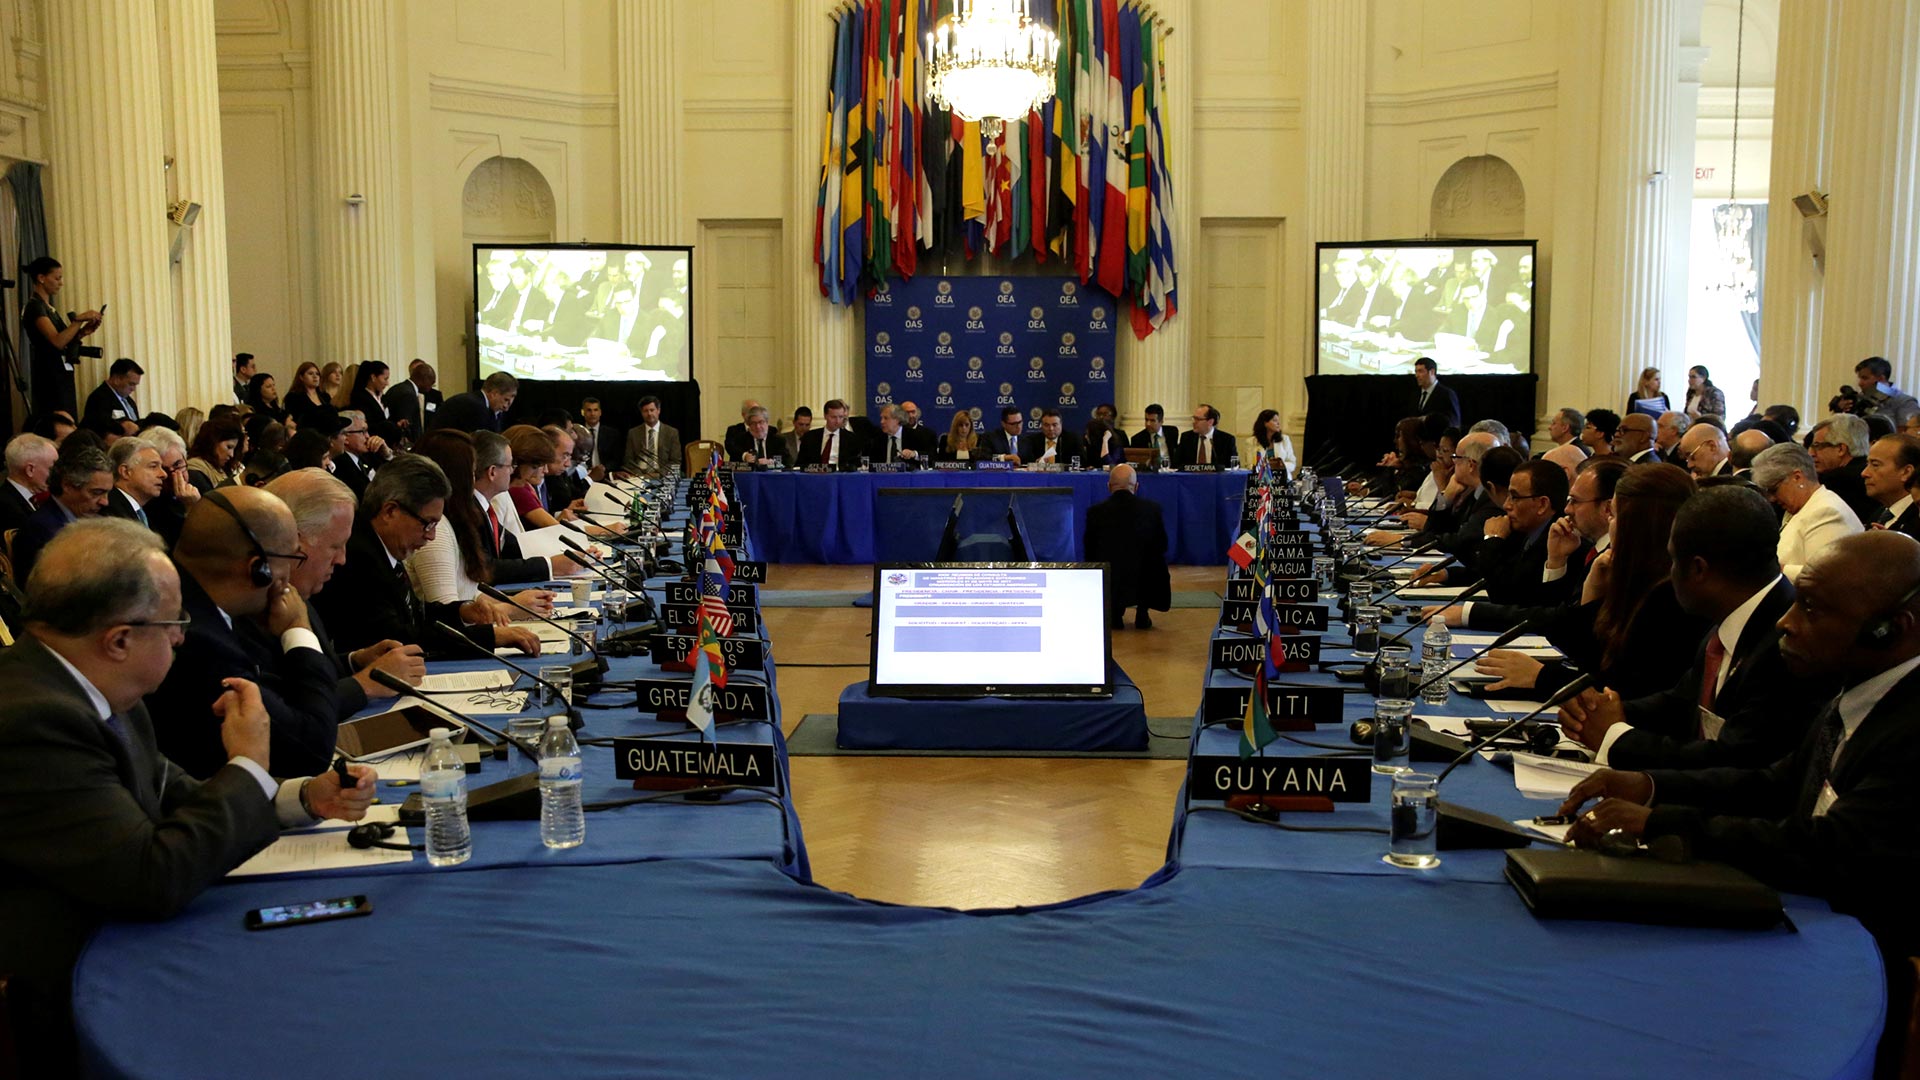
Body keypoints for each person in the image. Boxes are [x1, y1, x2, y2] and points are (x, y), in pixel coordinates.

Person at [0, 519, 376, 1075]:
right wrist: (249, 761)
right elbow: (152, 877)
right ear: (119, 640)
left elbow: (175, 793)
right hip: (68, 990)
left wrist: (302, 798)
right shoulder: (35, 719)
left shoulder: (89, 685)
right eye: (174, 623)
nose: (182, 637)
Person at [1559, 530, 1920, 1066]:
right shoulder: (1862, 689)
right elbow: (1775, 784)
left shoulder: (1911, 728)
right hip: (1807, 918)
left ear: (1893, 628)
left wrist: (1662, 823)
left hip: (1862, 970)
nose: (1786, 622)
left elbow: (1831, 847)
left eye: (1812, 609)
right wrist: (1649, 785)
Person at [1558, 485, 1835, 771]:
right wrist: (1604, 711)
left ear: (1698, 569)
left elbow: (1732, 760)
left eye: (1673, 560)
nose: (1670, 574)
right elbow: (1681, 703)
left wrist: (1615, 738)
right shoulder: (1735, 616)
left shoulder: (1788, 645)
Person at [143, 487, 344, 780]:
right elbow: (310, 749)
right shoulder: (201, 643)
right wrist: (297, 629)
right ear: (258, 569)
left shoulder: (200, 606)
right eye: (290, 558)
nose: (290, 574)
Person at [1473, 464, 1709, 701]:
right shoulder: (1624, 573)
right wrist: (1591, 591)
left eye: (1614, 515)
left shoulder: (1667, 597)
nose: (1610, 523)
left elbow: (1622, 690)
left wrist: (1541, 676)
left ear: (1638, 526)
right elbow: (1584, 656)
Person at [309, 453, 539, 659]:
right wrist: (490, 637)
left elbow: (414, 612)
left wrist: (461, 611)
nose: (431, 536)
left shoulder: (381, 545)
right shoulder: (359, 558)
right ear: (390, 511)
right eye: (427, 524)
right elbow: (398, 638)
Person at [265, 468, 427, 716]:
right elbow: (289, 708)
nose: (342, 559)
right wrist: (365, 683)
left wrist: (355, 661)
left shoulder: (296, 595)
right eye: (335, 546)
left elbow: (306, 671)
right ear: (293, 542)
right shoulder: (252, 608)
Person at [407, 430, 565, 616]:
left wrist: (513, 602)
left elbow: (470, 591)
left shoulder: (454, 518)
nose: (475, 478)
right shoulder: (438, 530)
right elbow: (448, 612)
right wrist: (512, 608)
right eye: (472, 471)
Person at [1751, 442, 1862, 579]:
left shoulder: (1826, 513)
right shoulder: (1803, 508)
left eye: (1774, 489)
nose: (1772, 498)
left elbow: (1826, 575)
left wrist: (1776, 570)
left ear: (1797, 477)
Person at [1084, 464, 1169, 630]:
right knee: (1153, 560)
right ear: (1136, 487)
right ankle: (1143, 611)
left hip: (1112, 575)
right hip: (1144, 576)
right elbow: (1162, 545)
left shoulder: (1095, 512)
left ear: (1109, 486)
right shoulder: (1152, 510)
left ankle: (1115, 614)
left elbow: (1090, 550)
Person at [11, 445, 113, 581]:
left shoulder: (98, 522)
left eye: (107, 493)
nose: (105, 502)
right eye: (96, 492)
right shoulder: (40, 530)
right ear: (67, 486)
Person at [21, 256, 104, 420]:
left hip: (61, 371)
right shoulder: (35, 307)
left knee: (68, 415)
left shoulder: (48, 308)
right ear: (41, 278)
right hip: (49, 373)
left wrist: (82, 331)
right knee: (58, 419)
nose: (61, 283)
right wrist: (78, 320)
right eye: (57, 278)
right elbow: (57, 341)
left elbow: (64, 339)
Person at [1807, 414, 1876, 524]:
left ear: (1841, 449)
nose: (1811, 453)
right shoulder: (1871, 471)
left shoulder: (1835, 480)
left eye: (1818, 446)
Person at [100, 438, 169, 537]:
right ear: (125, 472)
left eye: (161, 467)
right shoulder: (112, 513)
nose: (163, 474)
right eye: (153, 466)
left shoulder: (145, 511)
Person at [1862, 434, 1920, 539]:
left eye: (1875, 465)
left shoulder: (1916, 518)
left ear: (1906, 472)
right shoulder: (1878, 514)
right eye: (1867, 464)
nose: (1864, 473)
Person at [2, 433, 58, 536]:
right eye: (52, 469)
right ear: (30, 470)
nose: (57, 474)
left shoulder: (34, 500)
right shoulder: (7, 509)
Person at [622, 394, 683, 477]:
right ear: (641, 413)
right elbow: (628, 460)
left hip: (663, 476)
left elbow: (675, 461)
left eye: (652, 410)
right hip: (639, 476)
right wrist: (639, 475)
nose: (649, 413)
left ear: (658, 410)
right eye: (645, 411)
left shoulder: (671, 433)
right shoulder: (633, 433)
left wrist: (658, 475)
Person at [1854, 355, 1920, 429]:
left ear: (1881, 379)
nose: (1860, 383)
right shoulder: (1861, 399)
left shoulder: (1905, 402)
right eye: (1860, 378)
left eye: (1865, 378)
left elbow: (1909, 432)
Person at [81, 358, 144, 435]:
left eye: (135, 385)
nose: (133, 389)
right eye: (131, 384)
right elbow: (99, 428)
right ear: (117, 379)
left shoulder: (130, 401)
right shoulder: (98, 399)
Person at [797, 398, 860, 471]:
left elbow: (855, 465)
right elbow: (801, 464)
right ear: (825, 416)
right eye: (833, 417)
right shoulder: (810, 437)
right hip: (815, 475)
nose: (837, 421)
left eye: (841, 417)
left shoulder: (851, 439)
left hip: (840, 475)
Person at [382, 359, 439, 436]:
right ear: (424, 379)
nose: (430, 388)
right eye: (431, 383)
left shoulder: (398, 388)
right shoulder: (408, 395)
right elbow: (406, 427)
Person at [185, 417, 243, 493]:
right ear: (213, 442)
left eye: (234, 449)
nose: (231, 454)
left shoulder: (220, 468)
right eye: (229, 447)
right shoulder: (195, 471)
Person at [726, 405, 790, 467]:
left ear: (767, 422)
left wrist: (771, 462)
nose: (758, 427)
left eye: (761, 422)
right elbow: (733, 464)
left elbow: (788, 462)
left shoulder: (778, 440)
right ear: (749, 425)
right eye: (753, 423)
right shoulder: (741, 440)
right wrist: (744, 458)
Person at [1175, 404, 1237, 468]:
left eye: (1198, 419)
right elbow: (1176, 465)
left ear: (1210, 422)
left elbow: (1234, 466)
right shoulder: (1187, 438)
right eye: (1194, 418)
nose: (1194, 422)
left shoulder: (1226, 440)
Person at [347, 360, 397, 439]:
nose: (387, 383)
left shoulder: (383, 398)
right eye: (385, 379)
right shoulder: (360, 398)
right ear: (373, 377)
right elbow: (370, 425)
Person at [578, 396, 623, 480]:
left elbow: (617, 460)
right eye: (589, 410)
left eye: (595, 410)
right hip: (582, 476)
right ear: (583, 412)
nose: (592, 414)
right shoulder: (577, 433)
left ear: (600, 412)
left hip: (606, 475)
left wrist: (603, 468)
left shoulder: (612, 434)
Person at [1019, 409, 1085, 466]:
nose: (1051, 429)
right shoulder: (1033, 440)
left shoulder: (1073, 440)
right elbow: (1026, 462)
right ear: (1041, 426)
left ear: (1061, 424)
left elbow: (1082, 462)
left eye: (1054, 425)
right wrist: (1036, 463)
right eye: (1046, 425)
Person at [1410, 357, 1462, 428]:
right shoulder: (1415, 395)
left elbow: (1453, 422)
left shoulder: (1447, 394)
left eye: (1420, 371)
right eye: (1416, 372)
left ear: (1432, 372)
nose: (1417, 375)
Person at [284, 362, 335, 429]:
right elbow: (293, 419)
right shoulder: (293, 397)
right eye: (310, 373)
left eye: (317, 374)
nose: (315, 376)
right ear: (301, 377)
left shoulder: (325, 396)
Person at [1250, 408, 1298, 477]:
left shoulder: (1285, 439)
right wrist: (1266, 467)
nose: (1278, 423)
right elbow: (1250, 465)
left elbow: (1292, 463)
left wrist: (1277, 465)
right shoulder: (1251, 441)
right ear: (1265, 423)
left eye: (1278, 420)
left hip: (1282, 478)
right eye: (1275, 420)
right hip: (1260, 478)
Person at [1129, 404, 1180, 468]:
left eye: (1152, 421)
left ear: (1161, 421)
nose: (1148, 424)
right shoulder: (1138, 439)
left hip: (1171, 470)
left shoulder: (1172, 432)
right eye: (1146, 420)